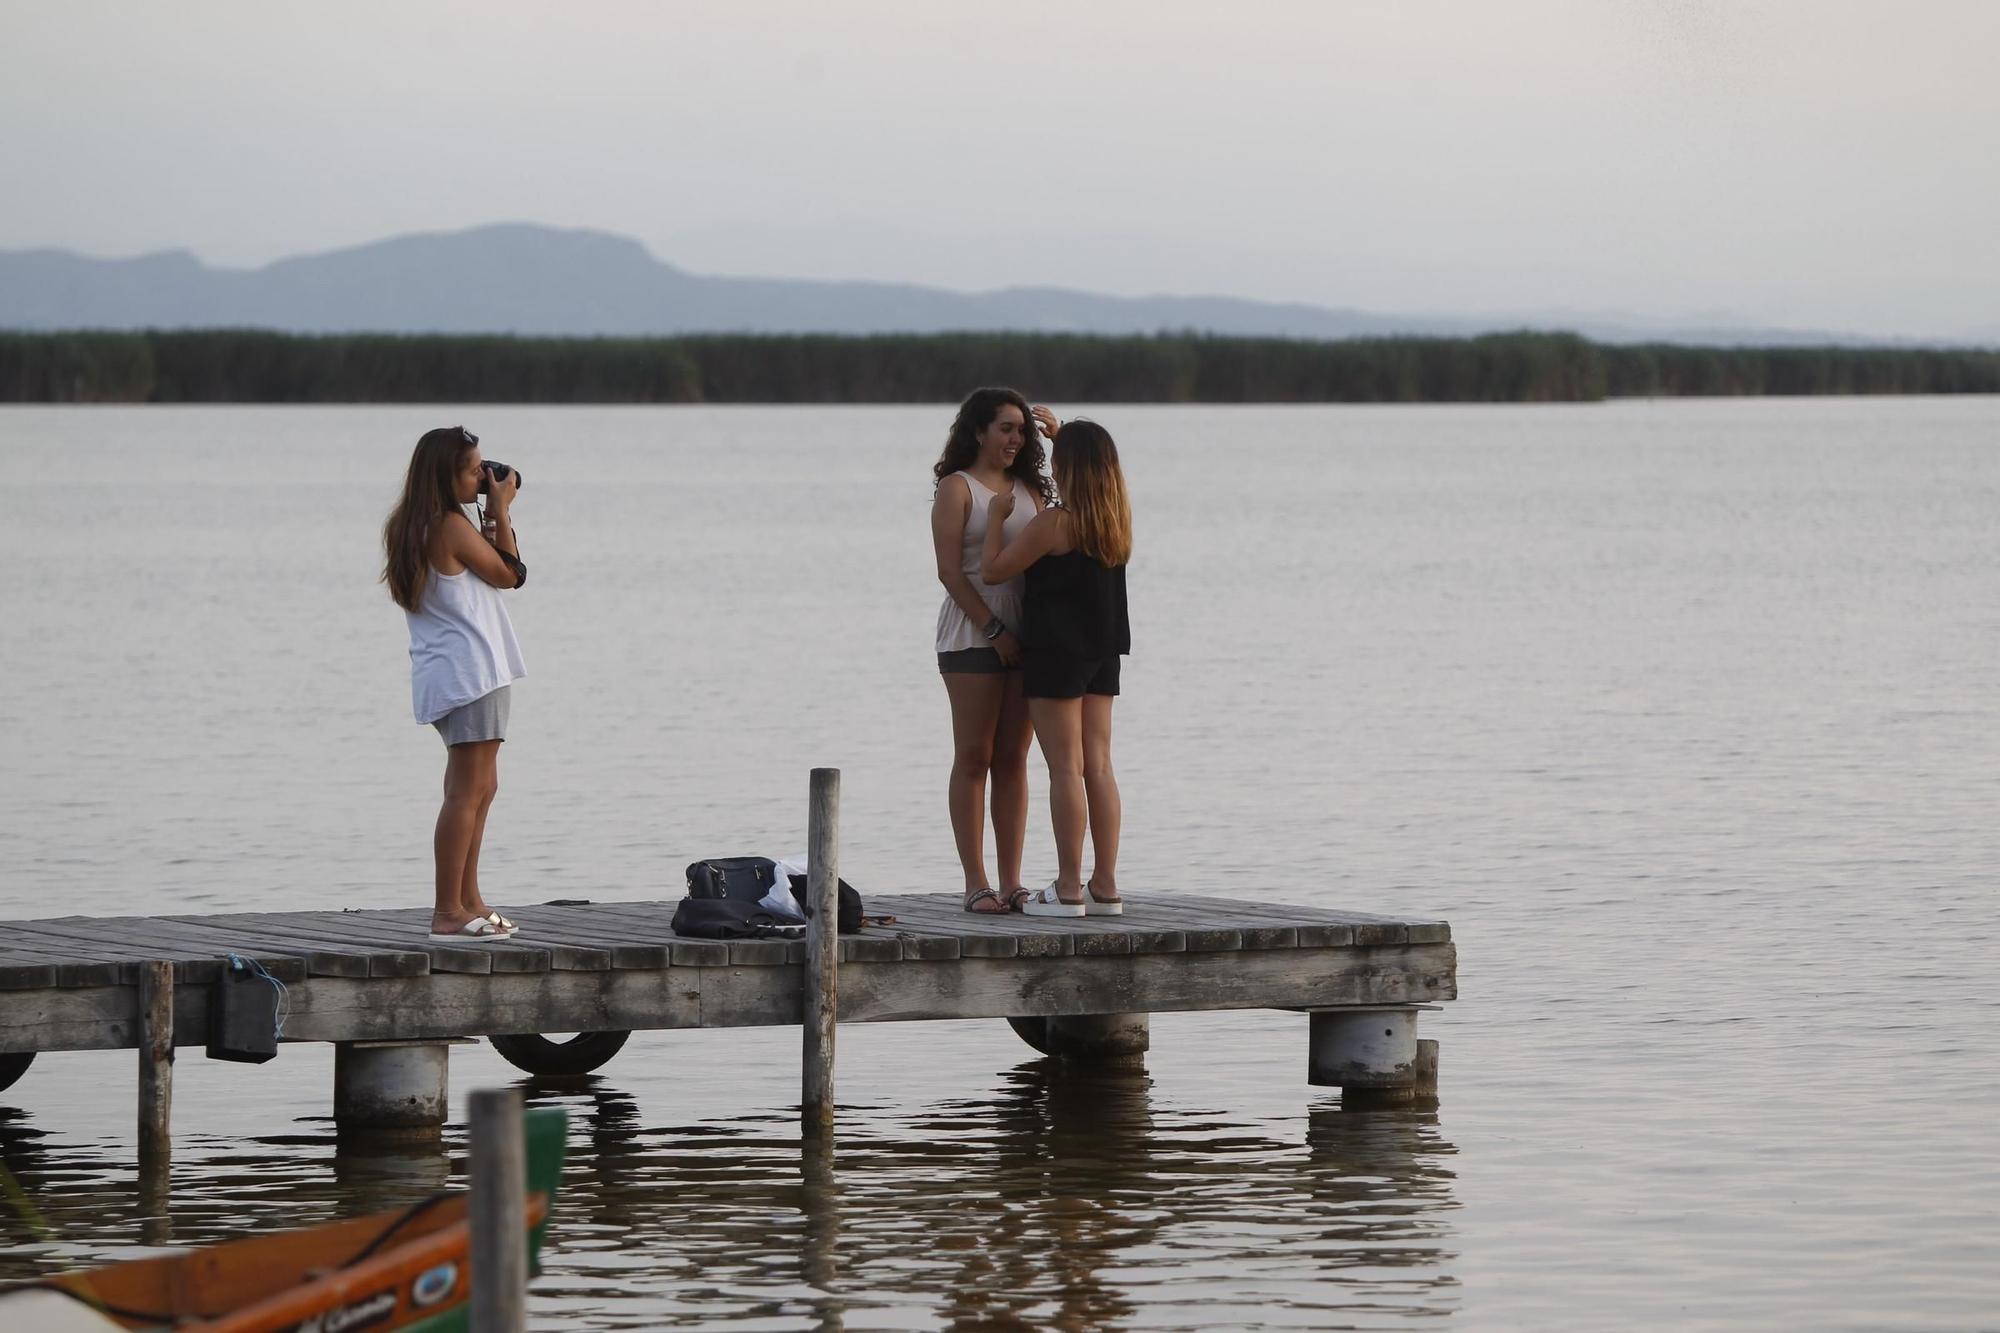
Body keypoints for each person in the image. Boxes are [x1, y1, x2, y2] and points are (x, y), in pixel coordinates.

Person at [381, 425, 528, 942]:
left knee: (480, 787)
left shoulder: (412, 523)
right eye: (473, 471)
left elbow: (491, 571)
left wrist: (488, 513)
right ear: (446, 476)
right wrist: (501, 510)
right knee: (468, 792)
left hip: (454, 670)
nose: (483, 478)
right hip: (472, 671)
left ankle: (469, 899)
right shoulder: (448, 525)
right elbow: (510, 574)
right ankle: (448, 910)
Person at [980, 419, 1132, 917]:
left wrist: (998, 519)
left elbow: (994, 569)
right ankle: (1104, 885)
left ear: (1068, 468)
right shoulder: (1113, 521)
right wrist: (1065, 432)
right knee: (1099, 765)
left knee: (1065, 768)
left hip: (1057, 653)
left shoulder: (1053, 524)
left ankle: (1068, 888)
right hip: (1102, 652)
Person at [931, 388, 1061, 913]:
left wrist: (1062, 438)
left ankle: (1013, 882)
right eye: (1005, 428)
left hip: (1029, 633)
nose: (1015, 439)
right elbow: (948, 571)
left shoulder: (1032, 487)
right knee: (974, 756)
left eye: (1021, 430)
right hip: (971, 633)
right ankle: (976, 882)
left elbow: (1073, 515)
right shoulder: (957, 489)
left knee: (1014, 760)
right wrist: (992, 630)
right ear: (979, 431)